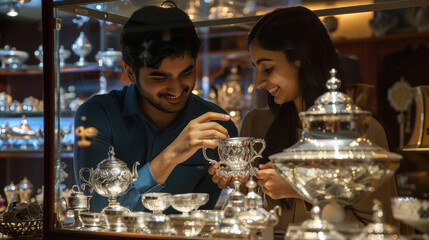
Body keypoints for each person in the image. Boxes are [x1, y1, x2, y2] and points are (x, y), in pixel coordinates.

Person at [211, 6, 410, 235]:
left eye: (267, 68)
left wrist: (301, 189)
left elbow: (377, 231)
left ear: (301, 60)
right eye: (255, 68)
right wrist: (240, 184)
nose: (258, 82)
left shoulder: (359, 131)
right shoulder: (257, 124)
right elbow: (246, 222)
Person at [74, 4, 238, 213]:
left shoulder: (216, 125)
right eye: (160, 77)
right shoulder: (97, 115)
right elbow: (96, 209)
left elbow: (206, 216)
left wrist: (237, 183)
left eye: (186, 73)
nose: (177, 89)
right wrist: (172, 155)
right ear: (130, 72)